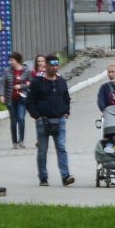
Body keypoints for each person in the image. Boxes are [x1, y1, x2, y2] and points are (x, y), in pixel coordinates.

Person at [28, 54, 74, 186]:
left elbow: (66, 98)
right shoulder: (37, 82)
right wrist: (37, 116)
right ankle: (43, 177)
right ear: (46, 66)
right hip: (43, 121)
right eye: (52, 65)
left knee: (61, 147)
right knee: (42, 149)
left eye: (56, 65)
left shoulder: (61, 81)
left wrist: (66, 113)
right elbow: (30, 101)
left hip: (60, 120)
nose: (55, 67)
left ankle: (66, 176)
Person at [0, 52, 31, 148]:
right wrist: (2, 95)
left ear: (17, 60)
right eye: (10, 60)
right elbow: (2, 83)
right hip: (11, 99)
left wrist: (21, 86)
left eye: (12, 60)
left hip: (22, 99)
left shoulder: (26, 70)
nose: (10, 62)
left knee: (21, 119)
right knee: (13, 121)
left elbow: (30, 83)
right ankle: (14, 142)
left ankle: (21, 140)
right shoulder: (7, 71)